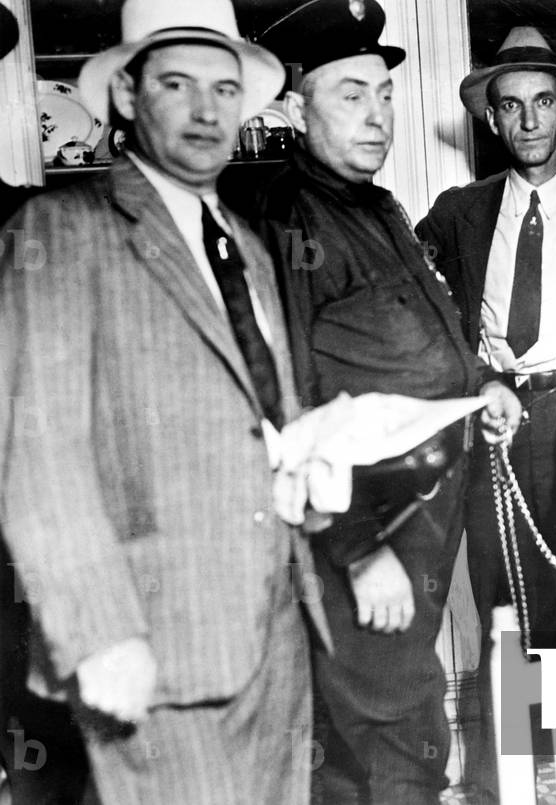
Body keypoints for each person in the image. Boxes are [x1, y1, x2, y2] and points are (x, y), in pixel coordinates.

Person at [0, 0, 331, 802]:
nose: (206, 109)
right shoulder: (62, 231)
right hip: (155, 643)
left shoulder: (244, 244)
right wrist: (98, 633)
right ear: (124, 97)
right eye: (176, 83)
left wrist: (306, 467)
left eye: (224, 88)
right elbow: (38, 451)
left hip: (276, 630)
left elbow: (253, 414)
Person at [255, 3, 521, 803]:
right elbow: (285, 402)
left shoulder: (374, 206)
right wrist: (358, 546)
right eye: (349, 96)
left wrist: (482, 386)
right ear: (294, 110)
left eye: (384, 94)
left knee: (397, 731)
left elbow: (420, 334)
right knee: (387, 741)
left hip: (420, 517)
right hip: (361, 525)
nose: (377, 117)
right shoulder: (289, 220)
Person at [415, 26, 556, 801]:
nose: (527, 122)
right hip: (499, 421)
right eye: (510, 107)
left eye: (542, 103)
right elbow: (422, 310)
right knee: (503, 604)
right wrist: (479, 377)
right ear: (491, 120)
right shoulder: (459, 212)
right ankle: (507, 778)